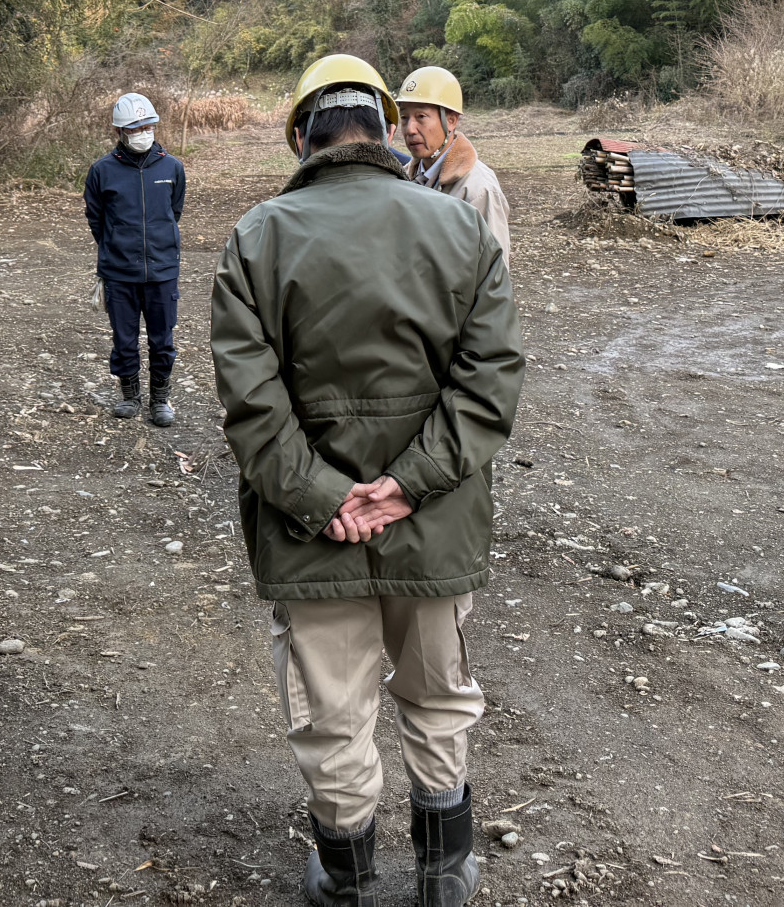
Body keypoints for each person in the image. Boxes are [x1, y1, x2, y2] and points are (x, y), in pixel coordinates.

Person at [211, 53, 523, 907]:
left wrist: (324, 497)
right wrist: (407, 485)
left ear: (300, 137)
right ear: (386, 129)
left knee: (332, 712)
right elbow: (491, 379)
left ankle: (345, 877)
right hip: (435, 518)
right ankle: (443, 874)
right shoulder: (459, 228)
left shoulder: (256, 237)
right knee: (437, 695)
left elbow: (251, 402)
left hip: (309, 530)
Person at [83, 92, 186, 425]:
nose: (143, 132)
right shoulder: (102, 171)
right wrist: (116, 248)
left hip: (162, 270)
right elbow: (96, 219)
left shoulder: (172, 167)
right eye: (135, 128)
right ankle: (130, 396)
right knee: (124, 340)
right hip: (119, 273)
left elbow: (174, 211)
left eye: (148, 126)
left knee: (162, 340)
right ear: (119, 132)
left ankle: (160, 399)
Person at [395, 66, 510, 267]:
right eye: (404, 118)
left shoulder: (478, 190)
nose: (410, 129)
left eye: (421, 117)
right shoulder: (402, 180)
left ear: (451, 120)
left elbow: (496, 273)